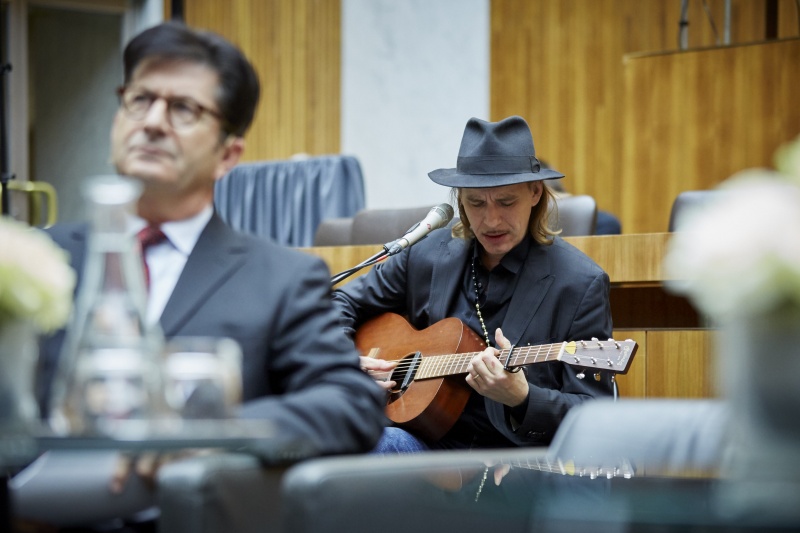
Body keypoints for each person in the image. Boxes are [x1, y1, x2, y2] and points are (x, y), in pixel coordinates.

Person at [13, 21, 385, 529]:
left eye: (183, 109)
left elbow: (351, 403)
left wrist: (218, 433)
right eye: (140, 100)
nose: (153, 122)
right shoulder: (37, 257)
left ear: (228, 154)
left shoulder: (281, 277)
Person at [334, 115, 614, 453]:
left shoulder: (579, 284)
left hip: (513, 463)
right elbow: (339, 303)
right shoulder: (426, 256)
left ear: (535, 192)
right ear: (459, 200)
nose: (491, 220)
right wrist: (347, 361)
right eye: (476, 203)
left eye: (506, 202)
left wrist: (523, 398)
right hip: (425, 447)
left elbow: (594, 414)